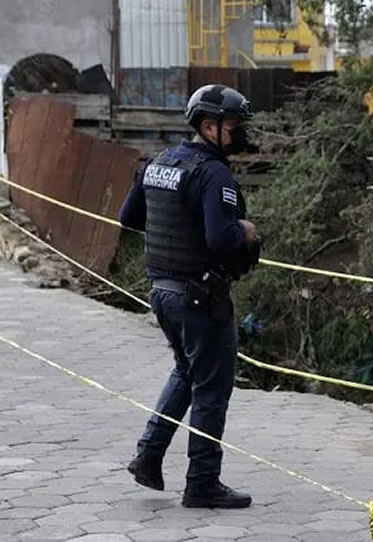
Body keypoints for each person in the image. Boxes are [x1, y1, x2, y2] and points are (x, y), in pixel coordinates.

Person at [118, 84, 262, 508]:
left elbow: (129, 218)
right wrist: (246, 230)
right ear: (209, 125)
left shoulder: (160, 162)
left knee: (186, 372)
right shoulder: (213, 173)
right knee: (212, 389)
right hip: (200, 296)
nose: (239, 133)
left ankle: (148, 455)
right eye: (233, 125)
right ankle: (202, 482)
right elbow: (221, 240)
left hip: (162, 292)